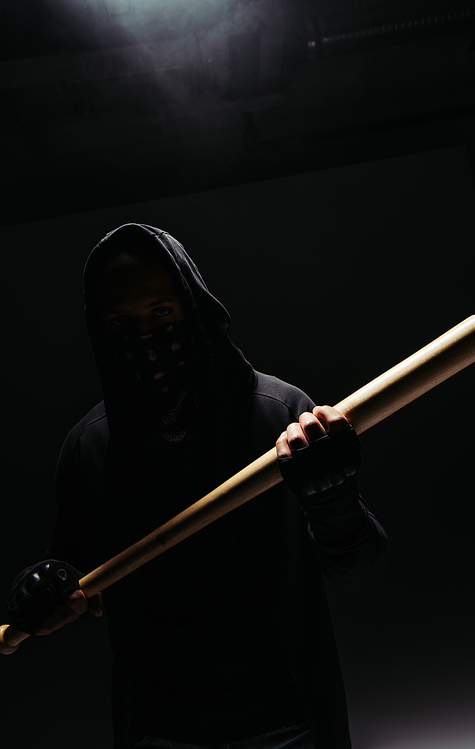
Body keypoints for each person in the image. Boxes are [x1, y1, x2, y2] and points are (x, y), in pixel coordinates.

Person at [7, 223, 388, 749]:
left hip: (288, 725)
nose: (146, 335)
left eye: (161, 311)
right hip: (162, 733)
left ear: (192, 305)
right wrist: (42, 588)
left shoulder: (282, 420)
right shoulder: (90, 448)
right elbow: (71, 572)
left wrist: (334, 497)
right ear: (101, 329)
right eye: (123, 321)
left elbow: (362, 574)